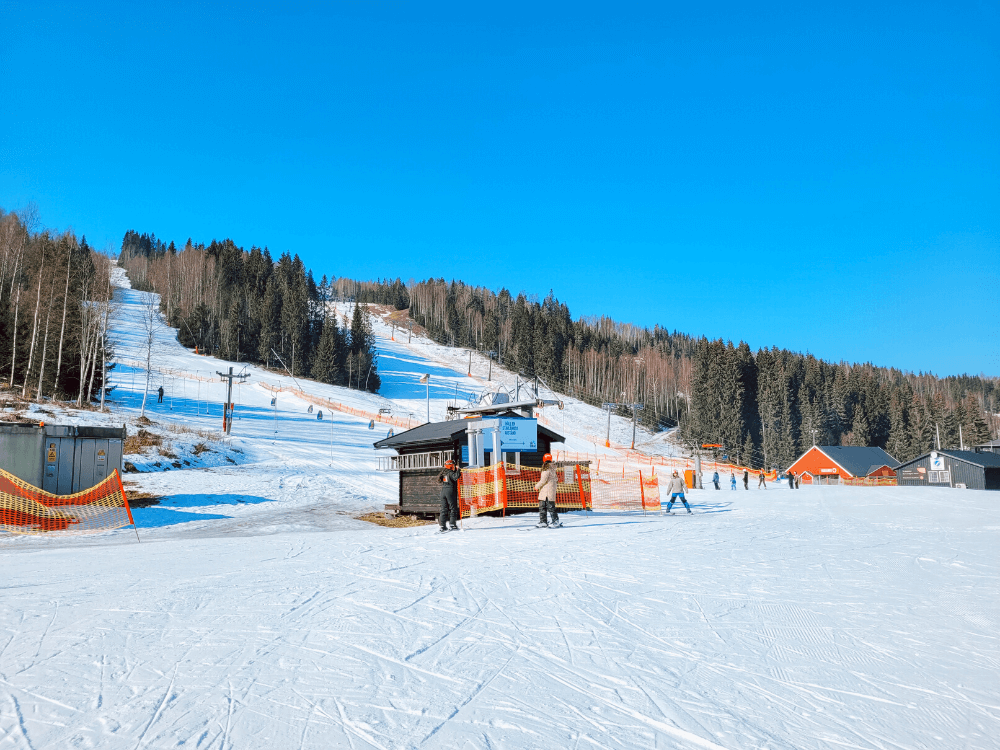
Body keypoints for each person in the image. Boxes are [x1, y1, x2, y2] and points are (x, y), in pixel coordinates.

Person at [534, 453, 561, 527]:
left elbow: (543, 480)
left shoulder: (546, 469)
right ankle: (554, 521)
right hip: (549, 490)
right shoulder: (553, 468)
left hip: (546, 491)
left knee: (544, 506)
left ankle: (545, 521)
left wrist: (536, 486)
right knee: (550, 506)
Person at [437, 459, 461, 532]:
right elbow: (455, 477)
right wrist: (458, 470)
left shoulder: (443, 473)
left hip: (443, 491)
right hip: (450, 491)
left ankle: (442, 526)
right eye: (453, 465)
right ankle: (452, 525)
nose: (454, 466)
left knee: (444, 509)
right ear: (451, 466)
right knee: (453, 508)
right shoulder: (450, 472)